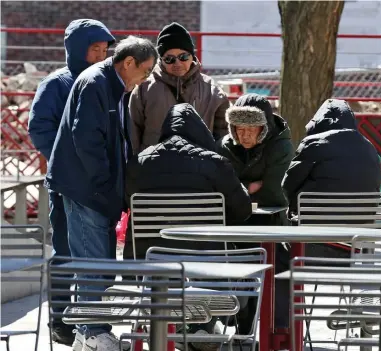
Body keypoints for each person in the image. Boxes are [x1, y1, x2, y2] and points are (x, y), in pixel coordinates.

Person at [45, 36, 157, 351]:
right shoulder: (97, 83)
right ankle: (92, 331)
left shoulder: (108, 84)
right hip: (87, 190)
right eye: (145, 71)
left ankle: (90, 331)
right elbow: (88, 140)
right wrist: (105, 186)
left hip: (94, 189)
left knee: (100, 262)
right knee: (93, 262)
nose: (145, 79)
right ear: (129, 62)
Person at [124, 103, 252, 351]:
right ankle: (201, 326)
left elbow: (126, 201)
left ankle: (181, 327)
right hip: (206, 270)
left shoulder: (138, 162)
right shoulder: (215, 163)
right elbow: (243, 210)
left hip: (151, 266)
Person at [27, 18, 115, 346]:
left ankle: (93, 318)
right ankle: (62, 319)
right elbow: (40, 129)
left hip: (100, 184)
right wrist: (69, 164)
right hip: (67, 184)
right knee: (66, 248)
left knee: (99, 252)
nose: (101, 55)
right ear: (77, 50)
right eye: (95, 49)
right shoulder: (56, 84)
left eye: (105, 50)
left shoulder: (108, 83)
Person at [282, 99, 381, 258]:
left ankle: (292, 282)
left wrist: (295, 206)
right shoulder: (369, 147)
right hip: (355, 240)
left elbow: (287, 185)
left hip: (312, 239)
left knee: (275, 252)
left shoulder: (312, 143)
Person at [129, 22, 229, 155]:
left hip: (199, 168)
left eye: (183, 57)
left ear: (192, 56)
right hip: (154, 167)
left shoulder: (212, 90)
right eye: (170, 59)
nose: (177, 63)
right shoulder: (144, 88)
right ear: (161, 59)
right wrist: (137, 165)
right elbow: (132, 132)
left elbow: (223, 134)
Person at [217, 93, 294, 225]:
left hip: (272, 222)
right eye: (240, 129)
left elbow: (276, 195)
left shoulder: (281, 147)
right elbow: (219, 191)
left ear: (264, 128)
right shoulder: (223, 146)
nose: (245, 135)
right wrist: (250, 187)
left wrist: (238, 189)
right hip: (231, 221)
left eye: (251, 129)